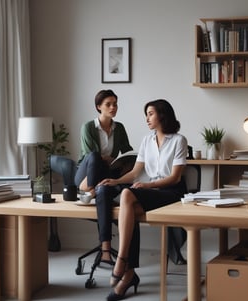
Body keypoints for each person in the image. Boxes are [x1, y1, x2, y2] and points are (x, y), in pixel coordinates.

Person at [97, 99, 188, 301]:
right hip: (154, 191)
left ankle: (123, 262)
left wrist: (146, 185)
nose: (147, 118)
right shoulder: (147, 140)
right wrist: (116, 180)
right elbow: (137, 171)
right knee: (128, 213)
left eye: (150, 113)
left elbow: (175, 177)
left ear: (162, 115)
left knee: (128, 197)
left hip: (171, 192)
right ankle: (128, 273)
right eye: (146, 114)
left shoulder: (178, 140)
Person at [74, 89, 133, 264]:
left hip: (106, 175)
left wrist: (125, 161)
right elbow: (91, 155)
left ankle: (105, 250)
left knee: (104, 192)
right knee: (94, 157)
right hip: (85, 175)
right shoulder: (88, 127)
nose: (113, 107)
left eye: (115, 104)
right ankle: (90, 189)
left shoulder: (119, 128)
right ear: (99, 107)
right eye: (108, 104)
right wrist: (107, 158)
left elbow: (128, 151)